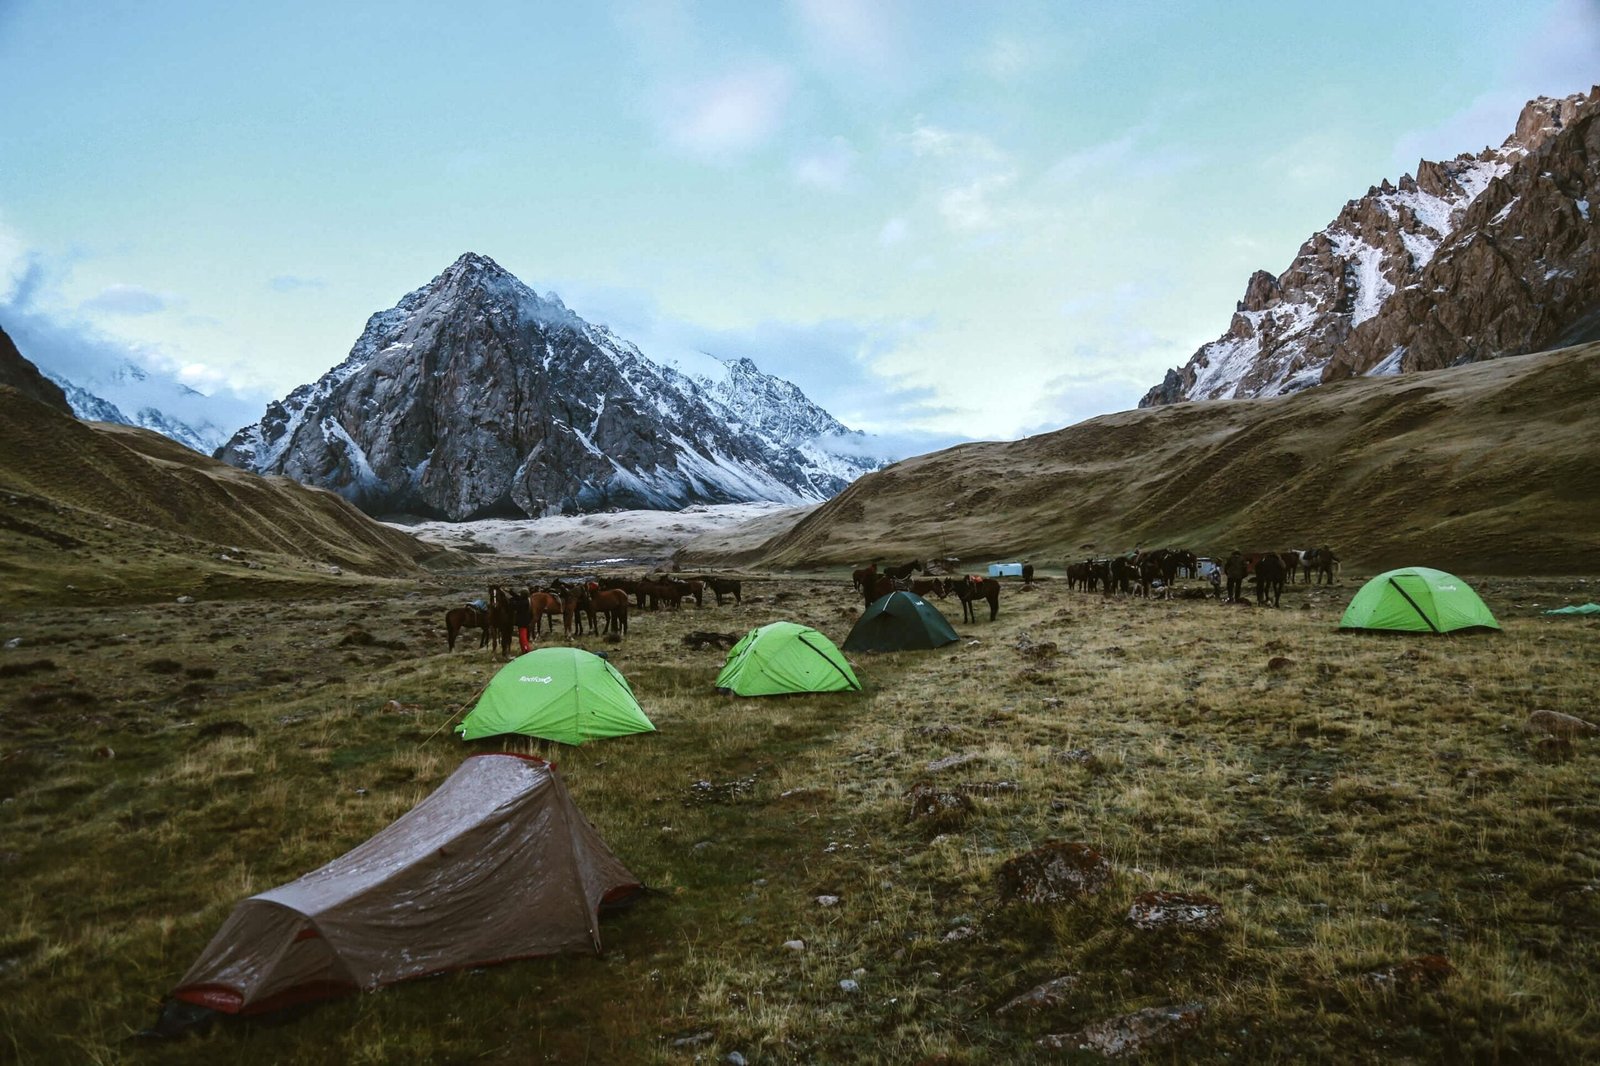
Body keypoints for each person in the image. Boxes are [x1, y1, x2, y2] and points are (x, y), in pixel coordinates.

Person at [513, 588, 534, 654]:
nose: (520, 595)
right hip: (526, 622)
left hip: (522, 622)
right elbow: (518, 597)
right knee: (522, 637)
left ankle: (526, 650)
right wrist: (510, 591)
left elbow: (516, 605)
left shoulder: (523, 603)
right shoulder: (526, 601)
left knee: (523, 638)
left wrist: (511, 601)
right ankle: (525, 650)